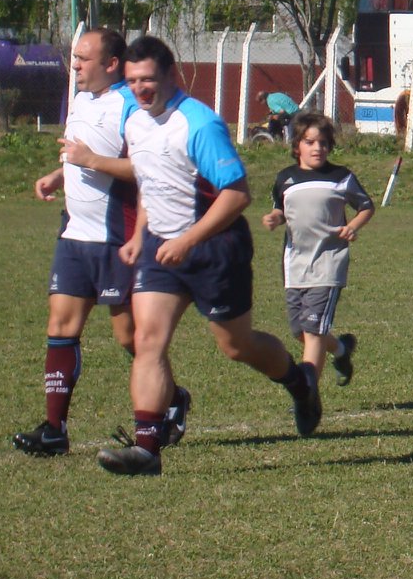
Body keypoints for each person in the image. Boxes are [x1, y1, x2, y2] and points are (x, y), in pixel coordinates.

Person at [98, 35, 322, 475]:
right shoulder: (134, 119)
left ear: (170, 75)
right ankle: (147, 449)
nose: (140, 89)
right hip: (162, 250)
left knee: (235, 345)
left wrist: (188, 241)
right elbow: (152, 177)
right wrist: (143, 233)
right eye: (132, 81)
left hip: (215, 248)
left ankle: (300, 383)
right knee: (148, 340)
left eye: (148, 80)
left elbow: (237, 195)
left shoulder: (199, 124)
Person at [14, 27, 175, 456]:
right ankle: (54, 430)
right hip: (74, 235)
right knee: (60, 328)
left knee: (130, 338)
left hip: (116, 239)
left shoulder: (132, 107)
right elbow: (78, 156)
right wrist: (59, 173)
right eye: (74, 57)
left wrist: (91, 161)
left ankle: (171, 400)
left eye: (84, 59)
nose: (75, 66)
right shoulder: (81, 100)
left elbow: (146, 169)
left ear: (112, 65)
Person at [261, 111, 372, 388]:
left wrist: (354, 226)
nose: (317, 148)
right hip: (295, 264)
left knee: (313, 331)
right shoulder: (285, 178)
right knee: (300, 329)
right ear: (296, 145)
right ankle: (341, 350)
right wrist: (275, 216)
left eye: (323, 142)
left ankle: (307, 392)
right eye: (310, 142)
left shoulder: (340, 176)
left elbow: (366, 206)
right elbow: (281, 208)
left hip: (328, 263)